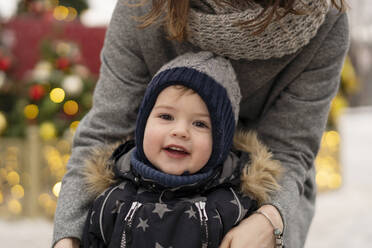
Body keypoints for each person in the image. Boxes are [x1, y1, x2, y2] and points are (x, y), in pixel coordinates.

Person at [53, 0, 350, 247]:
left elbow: (288, 150)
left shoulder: (325, 22)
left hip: (269, 183)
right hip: (148, 179)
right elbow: (105, 132)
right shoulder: (143, 6)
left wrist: (269, 220)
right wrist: (67, 238)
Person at [80, 52, 282, 248]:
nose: (180, 131)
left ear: (221, 144)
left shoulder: (235, 207)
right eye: (166, 117)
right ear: (143, 126)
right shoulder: (110, 200)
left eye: (200, 124)